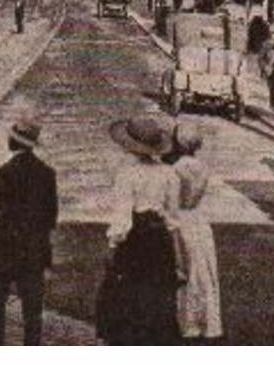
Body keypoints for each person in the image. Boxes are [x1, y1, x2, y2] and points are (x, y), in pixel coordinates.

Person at [95, 114, 182, 345]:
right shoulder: (169, 174)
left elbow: (122, 219)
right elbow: (173, 218)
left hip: (136, 241)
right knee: (157, 301)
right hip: (160, 242)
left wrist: (112, 245)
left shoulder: (127, 174)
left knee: (129, 300)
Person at [0, 115, 58, 346]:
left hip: (4, 250)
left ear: (15, 142)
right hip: (33, 252)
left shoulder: (5, 172)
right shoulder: (47, 174)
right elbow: (51, 218)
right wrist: (46, 256)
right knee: (32, 313)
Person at [169, 122, 222, 343]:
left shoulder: (175, 169)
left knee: (184, 270)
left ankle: (187, 323)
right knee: (203, 272)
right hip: (199, 219)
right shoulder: (203, 168)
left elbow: (173, 200)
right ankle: (208, 322)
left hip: (181, 218)